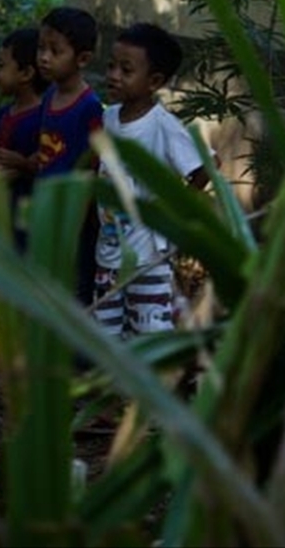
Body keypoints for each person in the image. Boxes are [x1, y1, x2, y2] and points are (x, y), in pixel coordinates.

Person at [93, 22, 216, 338]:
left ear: (155, 81)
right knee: (106, 332)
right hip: (108, 254)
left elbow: (208, 165)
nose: (113, 75)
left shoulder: (163, 126)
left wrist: (175, 209)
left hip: (147, 259)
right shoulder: (108, 118)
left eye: (126, 69)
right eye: (111, 66)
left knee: (149, 331)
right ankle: (117, 386)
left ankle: (152, 384)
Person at [35, 6, 104, 306]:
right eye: (41, 48)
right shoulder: (50, 95)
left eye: (55, 50)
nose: (44, 57)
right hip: (48, 209)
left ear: (83, 59)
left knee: (76, 286)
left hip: (77, 218)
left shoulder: (89, 107)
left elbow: (94, 166)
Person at [0, 26, 48, 253]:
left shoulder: (43, 119)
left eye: (1, 66)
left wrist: (24, 165)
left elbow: (48, 165)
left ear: (26, 73)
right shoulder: (5, 114)